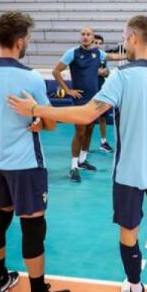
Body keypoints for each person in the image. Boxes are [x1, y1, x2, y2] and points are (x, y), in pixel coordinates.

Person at [9, 15, 147, 292]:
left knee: (129, 230)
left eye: (124, 38)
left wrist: (36, 108)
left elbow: (87, 114)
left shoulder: (122, 77)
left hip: (129, 172)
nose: (124, 44)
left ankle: (136, 290)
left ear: (133, 37)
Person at [0, 11, 70, 292]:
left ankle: (0, 279)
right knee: (33, 226)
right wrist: (38, 120)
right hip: (26, 163)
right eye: (28, 37)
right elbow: (49, 122)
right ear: (19, 41)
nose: (28, 42)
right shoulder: (30, 78)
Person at [52, 27, 124, 183]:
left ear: (92, 38)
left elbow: (113, 56)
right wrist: (68, 90)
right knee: (80, 132)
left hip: (94, 99)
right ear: (80, 37)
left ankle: (82, 160)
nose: (85, 37)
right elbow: (56, 71)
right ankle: (73, 167)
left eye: (88, 34)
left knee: (90, 129)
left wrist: (132, 54)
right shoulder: (72, 53)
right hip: (79, 99)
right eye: (83, 34)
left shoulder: (98, 53)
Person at [93, 34, 114, 153]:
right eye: (95, 42)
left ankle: (103, 142)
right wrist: (95, 71)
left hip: (100, 88)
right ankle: (83, 146)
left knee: (102, 117)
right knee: (87, 119)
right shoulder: (86, 57)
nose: (98, 45)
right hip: (89, 89)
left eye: (100, 43)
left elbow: (107, 72)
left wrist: (104, 72)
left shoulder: (104, 57)